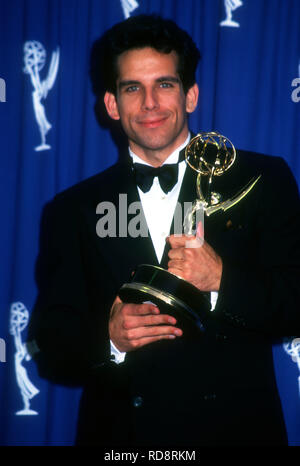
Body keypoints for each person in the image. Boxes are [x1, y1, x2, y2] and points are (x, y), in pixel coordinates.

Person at [27, 14, 300, 447]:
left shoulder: (260, 180)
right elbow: (51, 342)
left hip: (235, 432)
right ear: (112, 104)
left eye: (165, 84)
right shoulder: (72, 209)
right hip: (125, 441)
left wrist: (222, 280)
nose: (150, 103)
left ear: (191, 95)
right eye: (133, 87)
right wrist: (109, 339)